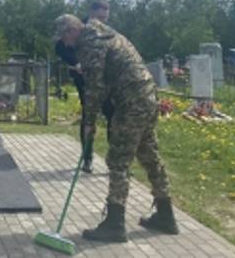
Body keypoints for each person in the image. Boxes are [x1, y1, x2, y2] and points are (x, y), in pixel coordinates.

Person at [54, 14, 179, 242]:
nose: (65, 43)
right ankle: (165, 214)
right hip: (148, 97)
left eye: (64, 37)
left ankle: (115, 223)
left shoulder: (91, 44)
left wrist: (89, 123)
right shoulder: (103, 33)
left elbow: (94, 87)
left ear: (72, 30)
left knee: (118, 160)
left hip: (131, 102)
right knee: (149, 155)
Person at [53, 0, 113, 173]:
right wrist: (76, 63)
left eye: (105, 18)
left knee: (113, 117)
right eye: (100, 17)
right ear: (91, 13)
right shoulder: (76, 28)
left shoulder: (105, 32)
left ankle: (113, 161)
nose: (102, 21)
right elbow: (60, 46)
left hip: (105, 83)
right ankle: (87, 159)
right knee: (89, 118)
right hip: (85, 84)